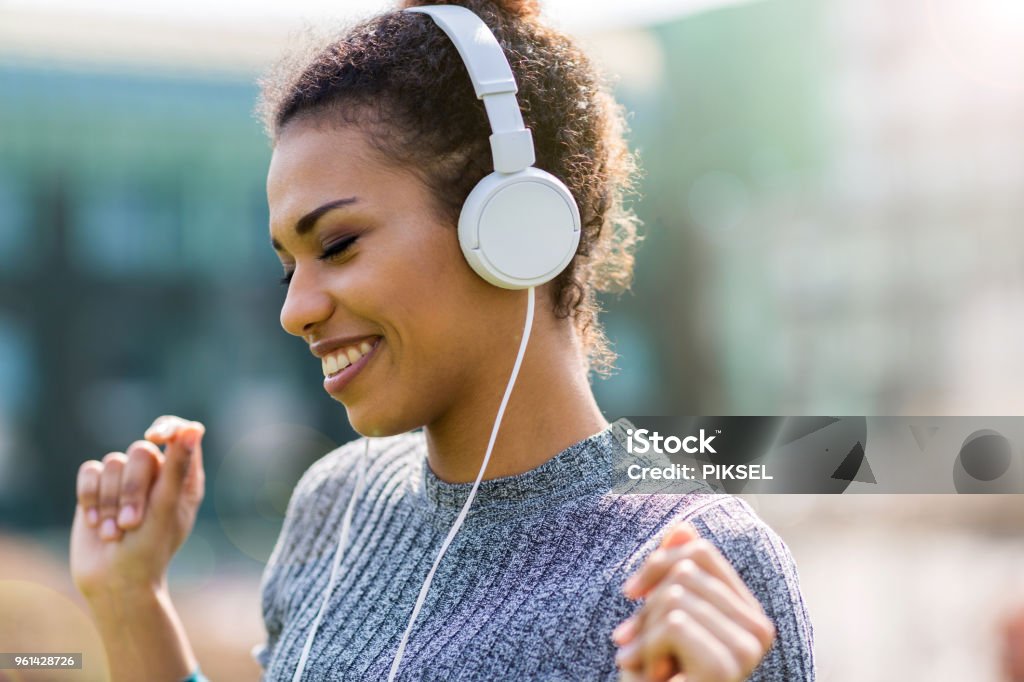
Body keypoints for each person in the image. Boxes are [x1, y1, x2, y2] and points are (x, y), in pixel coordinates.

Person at [69, 1, 815, 680]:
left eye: (336, 244)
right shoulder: (337, 502)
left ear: (509, 227)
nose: (295, 309)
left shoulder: (697, 565)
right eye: (286, 264)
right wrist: (131, 602)